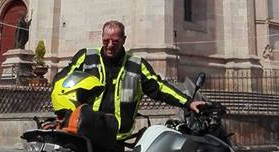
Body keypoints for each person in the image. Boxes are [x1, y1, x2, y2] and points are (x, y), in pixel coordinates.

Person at [51, 20, 205, 143]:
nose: (110, 46)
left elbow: (159, 88)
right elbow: (61, 82)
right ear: (101, 38)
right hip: (86, 133)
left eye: (115, 41)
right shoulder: (86, 57)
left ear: (124, 40)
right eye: (106, 41)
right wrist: (62, 113)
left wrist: (188, 102)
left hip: (116, 138)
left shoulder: (137, 65)